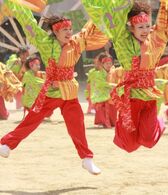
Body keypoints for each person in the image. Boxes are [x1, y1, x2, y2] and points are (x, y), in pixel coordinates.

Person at [0, 0, 108, 175]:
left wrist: (101, 7)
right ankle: (6, 144)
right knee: (31, 120)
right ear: (55, 31)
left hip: (69, 93)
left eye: (69, 29)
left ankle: (86, 158)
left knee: (77, 125)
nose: (68, 33)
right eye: (64, 30)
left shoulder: (76, 42)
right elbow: (28, 21)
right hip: (50, 91)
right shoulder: (44, 42)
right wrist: (15, 3)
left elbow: (91, 26)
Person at [82, 0, 168, 152]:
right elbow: (110, 16)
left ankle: (159, 123)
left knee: (148, 141)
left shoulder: (156, 38)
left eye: (148, 26)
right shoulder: (122, 39)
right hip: (131, 97)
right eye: (140, 27)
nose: (145, 30)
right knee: (129, 145)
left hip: (149, 96)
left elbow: (166, 15)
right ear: (131, 27)